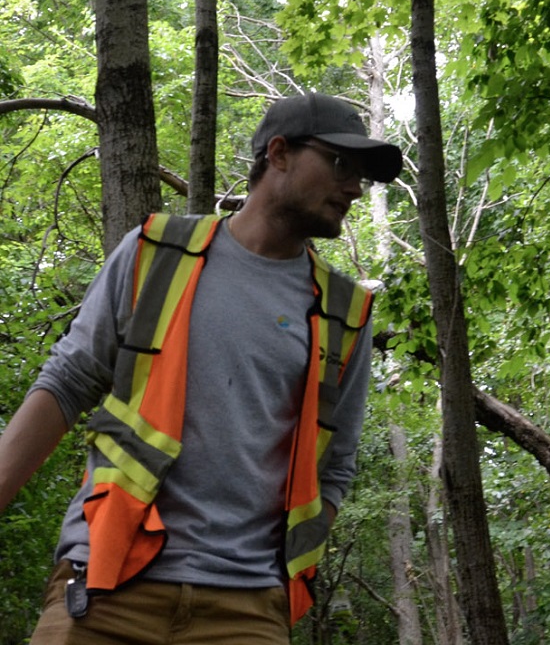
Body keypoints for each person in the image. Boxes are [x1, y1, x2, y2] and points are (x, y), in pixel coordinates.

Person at [0, 92, 403, 645]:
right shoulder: (156, 252)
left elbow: (335, 467)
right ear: (279, 154)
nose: (355, 187)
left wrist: (275, 581)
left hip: (247, 610)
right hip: (107, 583)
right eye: (340, 164)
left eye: (361, 175)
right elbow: (67, 383)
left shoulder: (345, 311)